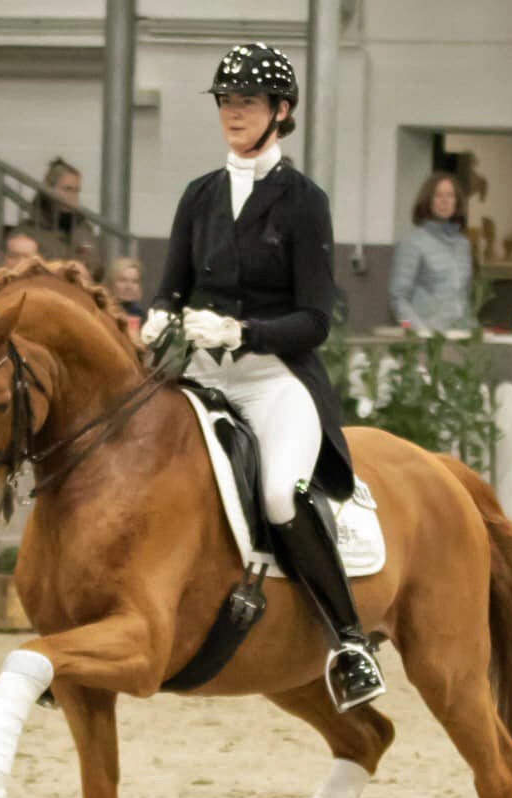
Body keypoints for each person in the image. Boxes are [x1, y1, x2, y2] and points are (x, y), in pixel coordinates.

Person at [144, 42, 383, 711]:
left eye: (246, 102)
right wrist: (157, 318)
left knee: (281, 494)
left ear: (281, 111)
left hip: (276, 378)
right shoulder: (200, 195)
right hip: (199, 378)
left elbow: (315, 319)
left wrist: (244, 332)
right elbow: (171, 288)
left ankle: (349, 641)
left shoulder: (304, 201)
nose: (233, 112)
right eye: (226, 101)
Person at [388, 170, 475, 332]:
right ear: (428, 200)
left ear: (457, 202)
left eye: (450, 195)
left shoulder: (463, 244)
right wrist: (416, 330)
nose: (444, 201)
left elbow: (464, 296)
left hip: (460, 336)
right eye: (438, 195)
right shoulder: (412, 242)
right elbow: (397, 298)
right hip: (426, 339)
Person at [23, 158, 102, 280]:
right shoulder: (28, 232)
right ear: (49, 190)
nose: (72, 196)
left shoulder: (84, 230)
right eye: (67, 189)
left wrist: (89, 268)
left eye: (76, 190)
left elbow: (98, 268)